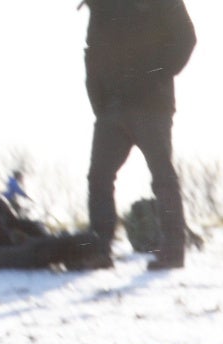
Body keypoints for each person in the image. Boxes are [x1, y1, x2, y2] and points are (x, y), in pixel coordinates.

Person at [79, 0, 195, 271]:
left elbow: (186, 39)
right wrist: (100, 101)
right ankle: (100, 249)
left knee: (162, 175)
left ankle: (173, 250)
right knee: (99, 177)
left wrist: (155, 76)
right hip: (111, 109)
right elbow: (92, 53)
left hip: (151, 105)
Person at [0, 151, 110, 271]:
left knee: (82, 239)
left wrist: (35, 227)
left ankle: (84, 254)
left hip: (14, 246)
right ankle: (78, 255)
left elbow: (15, 223)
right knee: (46, 248)